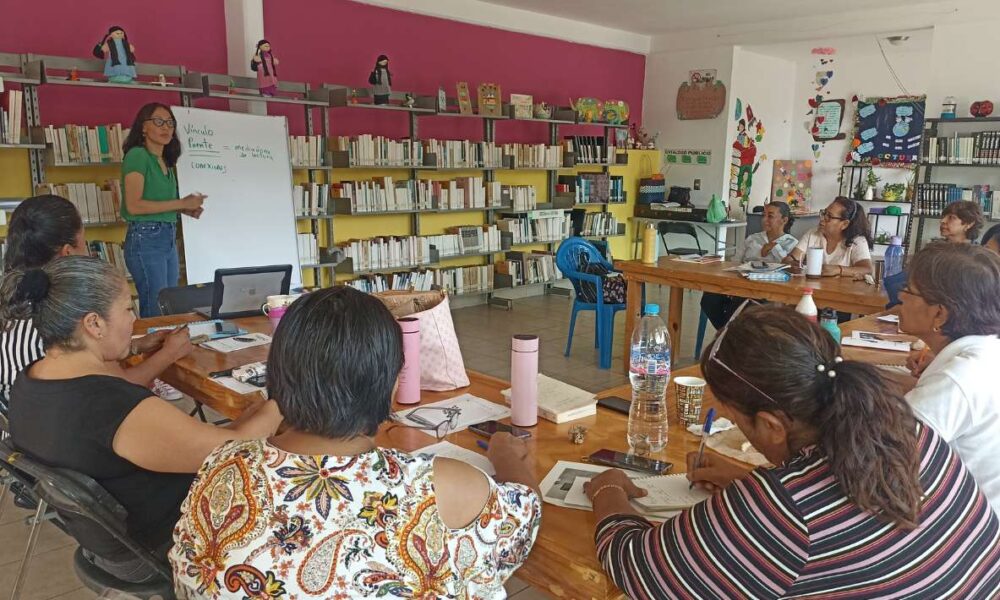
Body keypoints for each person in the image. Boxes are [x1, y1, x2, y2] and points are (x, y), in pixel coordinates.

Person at [585, 303, 1000, 599]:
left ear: (770, 425)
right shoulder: (907, 431)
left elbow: (637, 568)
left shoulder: (783, 509)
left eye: (735, 418)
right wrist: (748, 485)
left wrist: (609, 490)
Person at [170, 287, 541, 598]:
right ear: (393, 380)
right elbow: (524, 521)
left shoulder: (221, 462)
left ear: (279, 372)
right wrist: (508, 457)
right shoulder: (435, 487)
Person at [2, 256, 283, 583]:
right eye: (127, 309)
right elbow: (231, 451)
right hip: (164, 547)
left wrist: (252, 416)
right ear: (93, 324)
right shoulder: (111, 407)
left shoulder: (31, 380)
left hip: (110, 543)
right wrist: (285, 398)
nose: (133, 320)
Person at [0, 194, 185, 405]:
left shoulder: (11, 296)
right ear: (68, 253)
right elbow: (122, 385)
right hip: (61, 423)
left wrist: (134, 347)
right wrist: (170, 353)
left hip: (18, 423)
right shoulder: (66, 311)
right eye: (85, 244)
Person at [898, 242, 1000, 514]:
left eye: (909, 290)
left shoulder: (956, 379)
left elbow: (888, 454)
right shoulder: (987, 352)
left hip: (967, 529)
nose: (900, 296)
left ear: (940, 314)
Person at [121, 102, 206, 318]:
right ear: (143, 127)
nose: (166, 127)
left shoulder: (165, 161)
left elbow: (158, 204)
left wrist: (185, 210)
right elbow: (134, 205)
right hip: (146, 238)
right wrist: (181, 203)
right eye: (158, 122)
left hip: (167, 237)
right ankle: (152, 352)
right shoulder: (138, 156)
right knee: (155, 306)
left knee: (170, 304)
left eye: (170, 123)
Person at [700, 201, 797, 329]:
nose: (764, 220)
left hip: (769, 292)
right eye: (764, 215)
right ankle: (728, 333)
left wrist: (775, 247)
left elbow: (790, 267)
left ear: (784, 220)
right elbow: (735, 261)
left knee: (745, 305)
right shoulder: (752, 238)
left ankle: (730, 335)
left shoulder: (792, 243)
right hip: (742, 285)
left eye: (770, 216)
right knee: (710, 297)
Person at [785, 196, 873, 277]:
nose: (822, 219)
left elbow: (867, 270)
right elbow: (789, 259)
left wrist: (838, 270)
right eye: (824, 213)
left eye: (829, 216)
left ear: (844, 224)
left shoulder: (857, 241)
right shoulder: (813, 233)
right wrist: (790, 264)